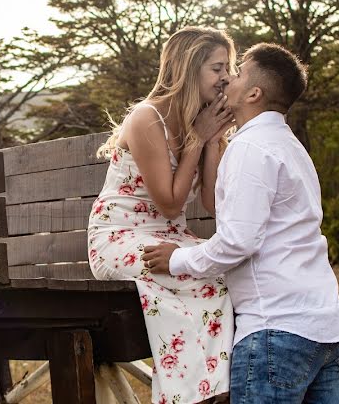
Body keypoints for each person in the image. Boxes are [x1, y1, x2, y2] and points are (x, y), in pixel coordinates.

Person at [143, 43, 339, 404]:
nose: (228, 79)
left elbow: (237, 242)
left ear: (254, 93)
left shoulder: (250, 149)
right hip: (327, 330)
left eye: (238, 73)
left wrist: (176, 260)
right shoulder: (290, 146)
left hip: (277, 332)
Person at [88, 26, 236, 404]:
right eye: (218, 68)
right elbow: (170, 203)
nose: (227, 78)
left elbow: (210, 202)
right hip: (120, 237)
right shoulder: (146, 117)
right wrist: (198, 139)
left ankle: (216, 391)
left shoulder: (199, 120)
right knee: (194, 275)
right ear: (189, 68)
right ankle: (193, 395)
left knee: (227, 272)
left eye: (229, 68)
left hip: (170, 237)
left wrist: (214, 139)